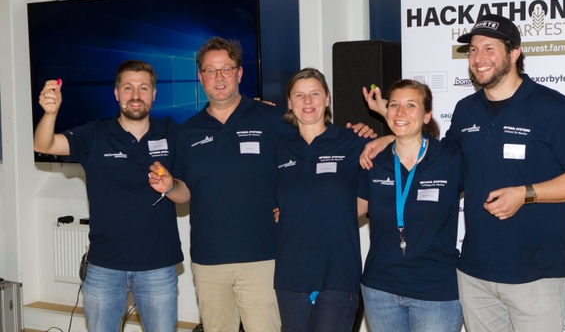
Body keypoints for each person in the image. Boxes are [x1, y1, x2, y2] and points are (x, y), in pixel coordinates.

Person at [362, 14, 565, 331]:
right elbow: (437, 156)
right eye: (473, 50)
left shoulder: (554, 108)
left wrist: (526, 194)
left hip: (534, 274)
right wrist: (393, 134)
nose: (478, 58)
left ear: (514, 53)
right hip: (474, 275)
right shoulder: (466, 109)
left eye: (489, 48)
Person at [148, 37, 375, 332]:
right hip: (208, 260)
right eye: (211, 71)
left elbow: (314, 138)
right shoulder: (187, 131)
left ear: (239, 73)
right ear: (201, 77)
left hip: (264, 259)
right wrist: (168, 187)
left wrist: (364, 133)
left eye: (226, 69)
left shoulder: (273, 119)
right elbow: (185, 192)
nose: (219, 77)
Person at [34, 60, 183, 332]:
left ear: (154, 93)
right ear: (116, 93)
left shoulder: (172, 133)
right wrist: (50, 113)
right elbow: (44, 144)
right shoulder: (94, 134)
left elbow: (185, 195)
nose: (135, 95)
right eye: (128, 88)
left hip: (158, 267)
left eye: (143, 88)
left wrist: (171, 187)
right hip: (104, 268)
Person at [357, 79, 463, 332]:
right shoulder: (373, 161)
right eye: (394, 105)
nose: (400, 112)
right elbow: (349, 211)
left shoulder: (450, 159)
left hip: (435, 292)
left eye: (411, 105)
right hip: (380, 290)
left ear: (427, 116)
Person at [274, 68, 367, 332]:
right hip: (291, 275)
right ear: (289, 103)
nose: (307, 101)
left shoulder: (352, 141)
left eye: (314, 94)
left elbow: (367, 198)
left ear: (327, 99)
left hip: (338, 273)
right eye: (299, 95)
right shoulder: (280, 148)